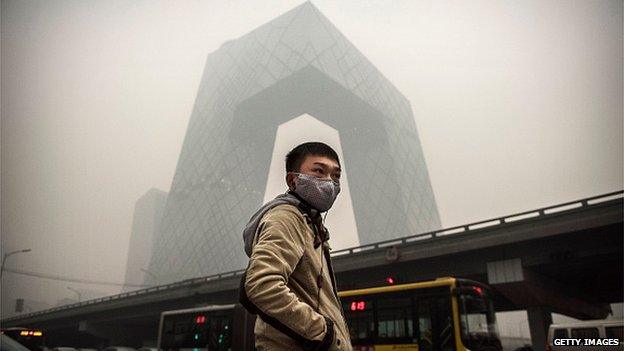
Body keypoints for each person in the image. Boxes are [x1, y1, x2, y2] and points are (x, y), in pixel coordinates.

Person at [239, 142, 353, 351]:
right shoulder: (286, 218)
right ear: (293, 180)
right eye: (319, 171)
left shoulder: (309, 223)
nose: (329, 182)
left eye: (336, 175)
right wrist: (323, 333)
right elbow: (261, 285)